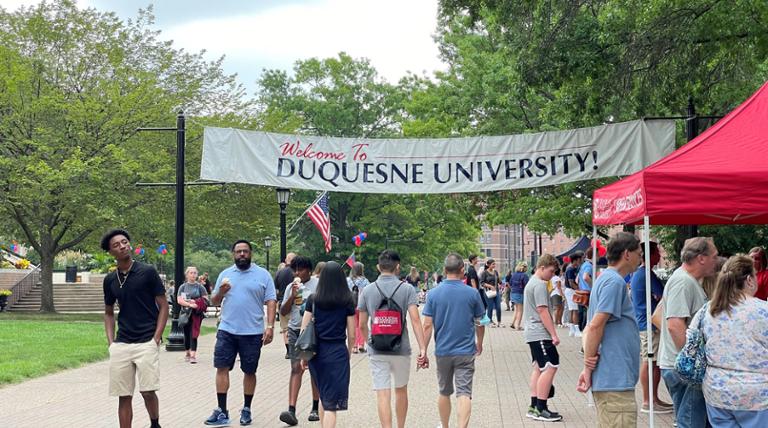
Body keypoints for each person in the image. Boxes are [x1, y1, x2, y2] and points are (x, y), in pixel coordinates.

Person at [101, 229, 168, 428]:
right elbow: (108, 313)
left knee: (147, 391)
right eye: (116, 245)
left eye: (124, 242)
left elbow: (163, 305)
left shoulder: (147, 271)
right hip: (122, 343)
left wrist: (156, 337)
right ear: (111, 252)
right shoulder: (110, 280)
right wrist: (111, 343)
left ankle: (155, 424)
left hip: (146, 340)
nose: (122, 246)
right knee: (124, 396)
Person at [205, 240, 277, 426]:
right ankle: (222, 411)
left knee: (250, 371)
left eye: (245, 251)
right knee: (221, 367)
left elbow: (271, 301)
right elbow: (213, 301)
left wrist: (270, 326)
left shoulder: (263, 275)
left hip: (252, 332)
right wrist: (220, 292)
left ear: (251, 253)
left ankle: (246, 409)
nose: (242, 254)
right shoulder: (226, 274)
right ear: (233, 254)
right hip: (227, 330)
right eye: (238, 252)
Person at [577, 232, 643, 427]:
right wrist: (587, 367)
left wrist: (587, 368)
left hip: (613, 380)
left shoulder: (606, 279)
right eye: (639, 253)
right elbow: (595, 325)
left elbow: (591, 327)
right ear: (627, 254)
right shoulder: (614, 282)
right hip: (615, 381)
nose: (641, 258)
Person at [696, 255, 768, 426]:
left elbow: (692, 340)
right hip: (756, 395)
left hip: (717, 391)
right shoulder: (763, 310)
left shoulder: (709, 309)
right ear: (749, 279)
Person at [358, 250, 427, 428]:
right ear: (398, 267)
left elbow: (362, 324)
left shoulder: (367, 290)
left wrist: (369, 342)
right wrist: (423, 348)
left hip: (377, 349)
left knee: (382, 393)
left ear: (378, 267)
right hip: (401, 348)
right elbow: (415, 319)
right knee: (401, 390)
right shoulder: (407, 289)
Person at [658, 237, 719, 428]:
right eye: (714, 256)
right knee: (690, 423)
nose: (716, 261)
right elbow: (674, 324)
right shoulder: (683, 282)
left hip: (681, 368)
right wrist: (693, 363)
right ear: (701, 258)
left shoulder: (685, 280)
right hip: (685, 371)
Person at [421, 253, 485, 428]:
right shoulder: (472, 293)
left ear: (444, 270)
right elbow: (481, 322)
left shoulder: (433, 294)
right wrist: (479, 342)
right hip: (465, 351)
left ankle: (444, 425)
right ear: (462, 270)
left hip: (443, 351)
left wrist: (423, 351)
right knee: (464, 393)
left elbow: (427, 325)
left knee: (444, 391)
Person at [299, 261, 356, 428]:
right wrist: (349, 351)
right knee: (332, 405)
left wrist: (304, 355)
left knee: (325, 396)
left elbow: (304, 329)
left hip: (316, 352)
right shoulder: (347, 300)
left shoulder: (313, 299)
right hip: (337, 351)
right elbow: (352, 334)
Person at [629, 242, 673, 414]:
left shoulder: (641, 274)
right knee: (650, 362)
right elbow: (663, 295)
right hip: (649, 325)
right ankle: (649, 401)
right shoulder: (647, 274)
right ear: (651, 254)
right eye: (658, 253)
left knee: (651, 361)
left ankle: (653, 398)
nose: (660, 256)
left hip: (645, 323)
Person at [279, 256, 321, 425]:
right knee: (296, 368)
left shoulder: (318, 285)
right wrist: (292, 295)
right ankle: (291, 409)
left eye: (301, 269)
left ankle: (315, 407)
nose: (297, 273)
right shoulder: (291, 286)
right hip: (295, 330)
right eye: (295, 269)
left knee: (313, 368)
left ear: (309, 270)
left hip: (313, 330)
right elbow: (283, 311)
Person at [522, 254, 562, 422]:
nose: (552, 275)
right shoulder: (539, 285)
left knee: (539, 367)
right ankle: (541, 407)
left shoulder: (532, 283)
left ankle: (534, 405)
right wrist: (553, 333)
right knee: (550, 366)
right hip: (539, 332)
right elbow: (543, 310)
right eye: (551, 271)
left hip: (532, 332)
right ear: (542, 267)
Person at [177, 266, 209, 364]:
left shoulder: (200, 287)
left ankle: (193, 355)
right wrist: (189, 304)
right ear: (187, 274)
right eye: (191, 273)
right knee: (186, 334)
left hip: (196, 314)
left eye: (195, 273)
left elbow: (206, 300)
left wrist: (196, 303)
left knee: (194, 334)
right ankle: (187, 352)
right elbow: (179, 300)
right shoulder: (183, 287)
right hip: (186, 314)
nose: (193, 275)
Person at [275, 252, 298, 358]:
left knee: (285, 328)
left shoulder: (280, 273)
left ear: (286, 261)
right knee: (296, 326)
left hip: (282, 303)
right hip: (297, 302)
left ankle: (288, 350)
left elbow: (276, 288)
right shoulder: (297, 272)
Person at [347, 262, 369, 353]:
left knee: (353, 326)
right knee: (362, 325)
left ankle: (354, 346)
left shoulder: (348, 280)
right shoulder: (365, 281)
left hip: (350, 305)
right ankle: (361, 344)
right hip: (362, 306)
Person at [564, 252, 583, 336]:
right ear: (576, 260)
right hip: (571, 290)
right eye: (580, 259)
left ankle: (572, 330)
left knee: (572, 310)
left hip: (569, 290)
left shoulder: (571, 268)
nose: (581, 260)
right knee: (575, 310)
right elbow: (571, 283)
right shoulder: (571, 269)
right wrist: (579, 289)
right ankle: (576, 330)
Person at [481, 258, 502, 327]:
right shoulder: (484, 273)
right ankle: (489, 322)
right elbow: (482, 283)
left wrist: (499, 282)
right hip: (488, 292)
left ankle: (499, 322)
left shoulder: (495, 272)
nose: (494, 265)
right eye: (493, 264)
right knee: (490, 307)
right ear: (489, 265)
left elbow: (499, 281)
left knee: (498, 307)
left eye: (494, 264)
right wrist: (490, 286)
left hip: (496, 292)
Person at [577, 247, 594, 332]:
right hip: (588, 292)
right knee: (587, 314)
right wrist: (594, 284)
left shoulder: (583, 265)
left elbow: (578, 279)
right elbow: (585, 277)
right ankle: (585, 331)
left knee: (583, 313)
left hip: (582, 292)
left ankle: (582, 330)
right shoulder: (589, 266)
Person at [509, 262, 529, 330]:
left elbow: (510, 283)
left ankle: (513, 323)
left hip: (513, 293)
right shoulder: (524, 275)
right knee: (520, 310)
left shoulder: (513, 275)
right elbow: (527, 285)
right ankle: (517, 325)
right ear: (524, 268)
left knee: (516, 309)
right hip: (520, 293)